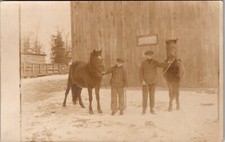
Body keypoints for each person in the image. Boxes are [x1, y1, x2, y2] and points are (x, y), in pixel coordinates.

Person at [140, 50, 170, 115]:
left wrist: (168, 63)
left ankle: (152, 109)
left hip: (153, 82)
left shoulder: (155, 62)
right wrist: (142, 80)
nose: (149, 56)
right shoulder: (143, 63)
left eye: (151, 55)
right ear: (146, 56)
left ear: (152, 55)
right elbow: (141, 72)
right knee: (145, 96)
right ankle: (144, 109)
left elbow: (161, 65)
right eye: (148, 55)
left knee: (152, 96)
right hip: (145, 83)